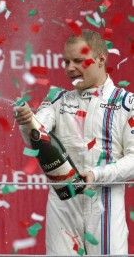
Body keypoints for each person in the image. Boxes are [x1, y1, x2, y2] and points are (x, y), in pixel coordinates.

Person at [14, 30, 134, 255]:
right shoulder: (57, 100)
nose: (69, 68)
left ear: (101, 59)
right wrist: (26, 121)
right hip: (64, 207)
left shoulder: (127, 103)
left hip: (105, 208)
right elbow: (36, 139)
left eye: (78, 61)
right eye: (66, 61)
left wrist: (97, 175)